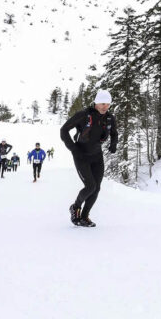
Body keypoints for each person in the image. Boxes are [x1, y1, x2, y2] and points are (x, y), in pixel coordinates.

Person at [60, 89, 117, 227]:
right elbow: (63, 130)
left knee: (96, 188)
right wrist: (73, 149)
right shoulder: (84, 115)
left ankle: (85, 217)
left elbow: (114, 133)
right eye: (102, 103)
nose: (105, 107)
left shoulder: (110, 118)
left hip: (97, 156)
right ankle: (75, 207)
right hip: (81, 155)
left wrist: (114, 143)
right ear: (96, 103)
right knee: (90, 186)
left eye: (108, 104)